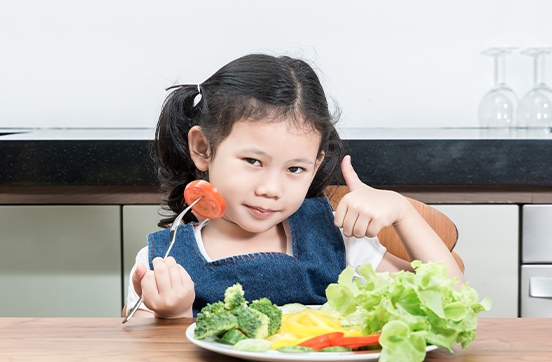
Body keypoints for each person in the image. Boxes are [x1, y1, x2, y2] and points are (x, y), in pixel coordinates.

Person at [126, 53, 465, 319]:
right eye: (253, 161)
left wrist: (403, 212)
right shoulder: (163, 263)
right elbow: (141, 360)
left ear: (315, 166)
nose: (271, 189)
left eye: (295, 169)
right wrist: (175, 315)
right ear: (203, 148)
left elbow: (452, 301)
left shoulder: (336, 241)